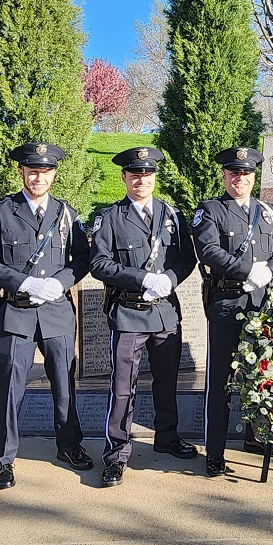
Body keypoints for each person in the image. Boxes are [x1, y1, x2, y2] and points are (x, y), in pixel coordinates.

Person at [0, 142, 92, 490]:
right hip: (17, 313)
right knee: (9, 387)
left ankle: (68, 445)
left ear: (54, 174)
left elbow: (81, 259)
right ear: (22, 172)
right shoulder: (0, 212)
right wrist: (23, 282)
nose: (38, 176)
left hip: (56, 313)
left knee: (63, 385)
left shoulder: (66, 214)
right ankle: (4, 458)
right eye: (32, 170)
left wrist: (61, 282)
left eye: (45, 171)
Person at [89, 146, 198, 488]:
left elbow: (186, 259)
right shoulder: (109, 218)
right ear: (124, 178)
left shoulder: (173, 216)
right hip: (128, 312)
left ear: (154, 177)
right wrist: (141, 278)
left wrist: (170, 278)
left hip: (164, 311)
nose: (141, 180)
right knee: (123, 387)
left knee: (168, 381)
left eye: (147, 174)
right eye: (135, 174)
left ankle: (167, 436)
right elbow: (99, 264)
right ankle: (117, 452)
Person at [191, 146, 273, 477]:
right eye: (234, 173)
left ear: (254, 176)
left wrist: (271, 270)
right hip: (227, 304)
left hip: (259, 305)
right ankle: (216, 451)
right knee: (220, 381)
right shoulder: (210, 211)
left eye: (246, 173)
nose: (240, 179)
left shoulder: (268, 211)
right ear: (224, 176)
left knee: (259, 375)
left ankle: (256, 437)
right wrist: (248, 270)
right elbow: (208, 251)